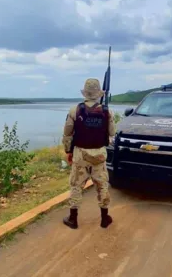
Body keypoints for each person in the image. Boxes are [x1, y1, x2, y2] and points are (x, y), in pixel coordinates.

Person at [62, 78, 116, 229]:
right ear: (99, 93)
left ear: (85, 93)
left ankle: (73, 219)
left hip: (80, 154)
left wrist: (68, 151)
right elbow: (112, 132)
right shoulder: (107, 111)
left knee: (76, 185)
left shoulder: (75, 110)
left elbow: (67, 135)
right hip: (99, 154)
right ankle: (105, 219)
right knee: (102, 185)